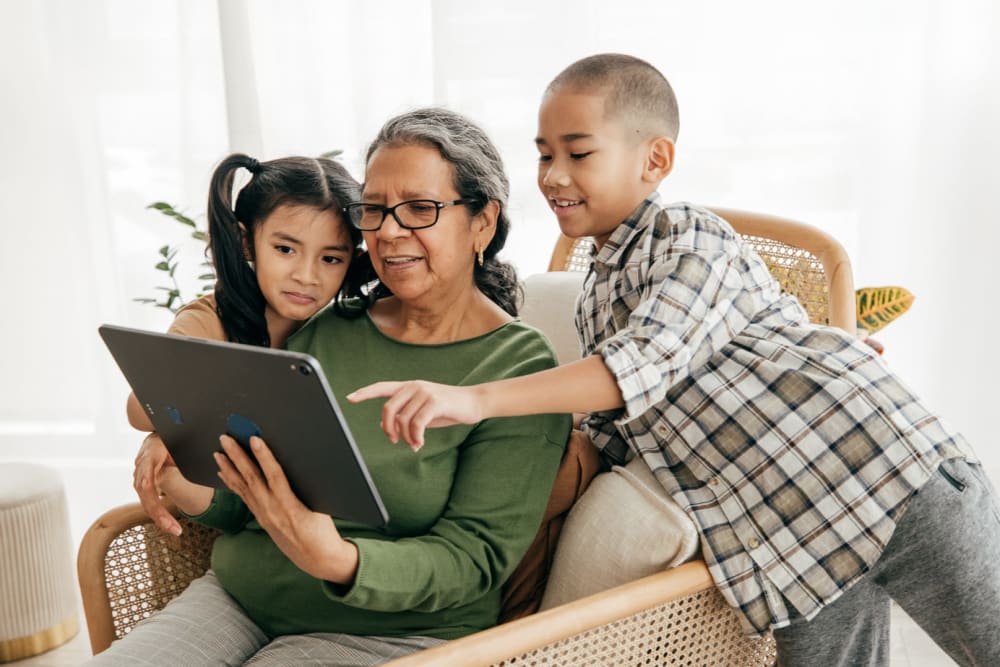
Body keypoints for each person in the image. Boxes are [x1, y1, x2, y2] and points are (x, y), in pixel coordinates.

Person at [348, 54, 1000, 665]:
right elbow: (613, 427)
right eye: (545, 154)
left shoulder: (689, 237)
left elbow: (639, 364)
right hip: (801, 543)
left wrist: (475, 397)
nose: (552, 175)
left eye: (578, 153)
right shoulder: (598, 294)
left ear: (654, 160)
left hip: (894, 484)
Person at [93, 108, 569, 666]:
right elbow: (245, 500)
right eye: (374, 210)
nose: (389, 232)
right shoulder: (327, 324)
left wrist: (338, 559)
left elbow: (474, 558)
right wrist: (184, 469)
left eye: (419, 209)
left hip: (393, 634)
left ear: (482, 223)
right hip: (237, 599)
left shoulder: (520, 368)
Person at [127, 152, 363, 538]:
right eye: (285, 250)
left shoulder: (347, 326)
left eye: (331, 258)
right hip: (238, 511)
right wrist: (164, 433)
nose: (306, 276)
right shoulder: (208, 320)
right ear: (246, 243)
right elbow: (138, 409)